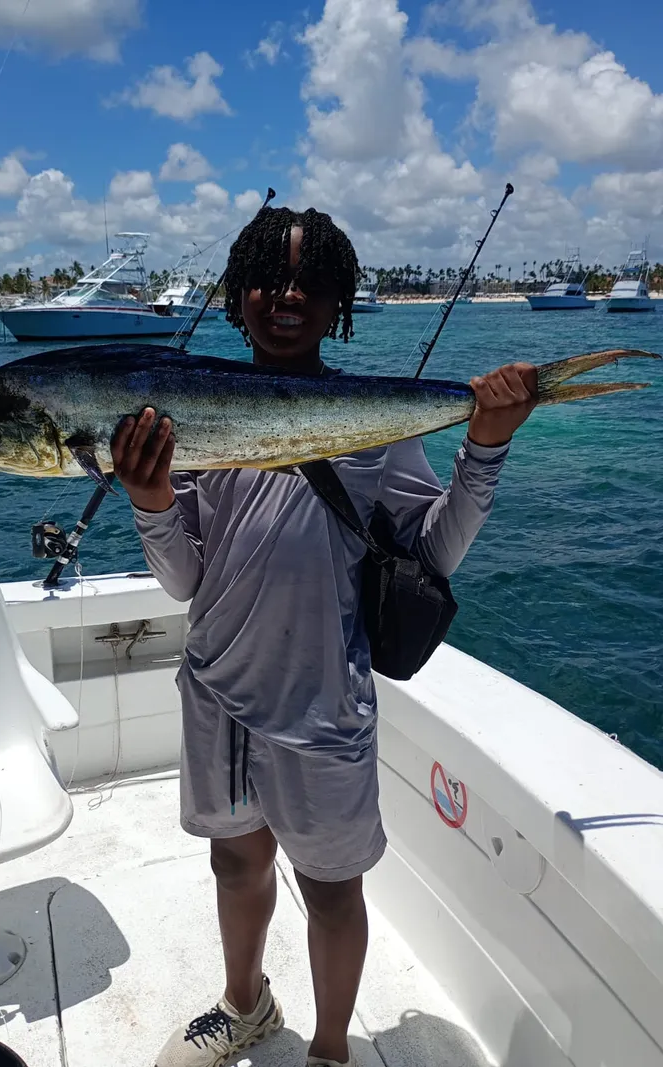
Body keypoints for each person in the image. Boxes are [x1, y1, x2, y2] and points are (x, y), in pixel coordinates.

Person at [110, 207, 538, 1067]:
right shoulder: (186, 415)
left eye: (310, 277)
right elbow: (187, 580)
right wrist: (150, 499)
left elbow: (431, 551)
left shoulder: (371, 418)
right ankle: (246, 1004)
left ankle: (333, 1050)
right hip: (219, 695)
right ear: (240, 294)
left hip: (324, 707)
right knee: (236, 866)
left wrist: (482, 450)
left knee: (333, 891)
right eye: (270, 274)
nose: (289, 292)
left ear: (341, 296)